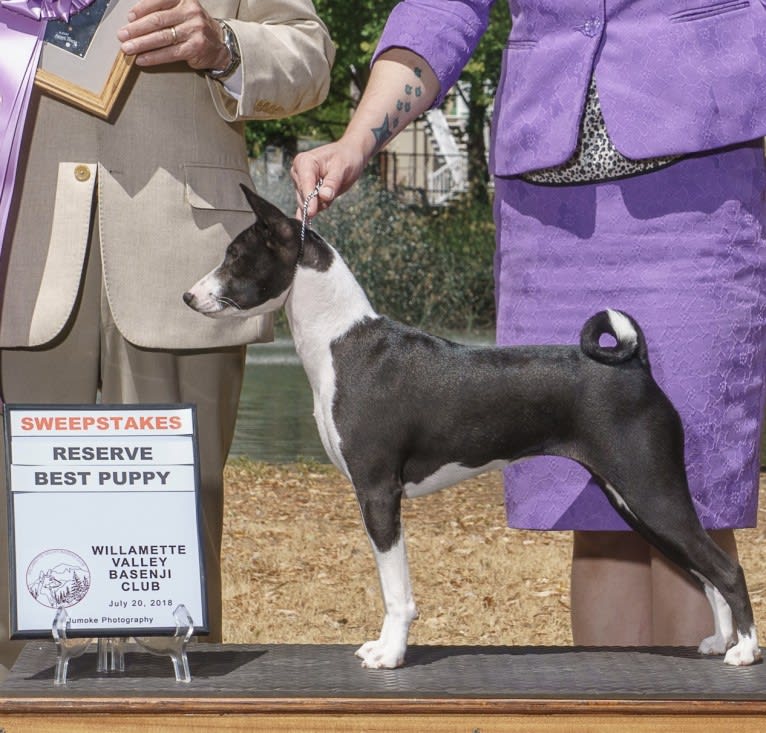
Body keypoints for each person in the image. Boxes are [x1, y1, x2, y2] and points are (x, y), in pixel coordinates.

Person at [291, 1, 766, 648]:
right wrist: (358, 139)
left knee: (689, 502)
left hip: (699, 189)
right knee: (596, 517)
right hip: (550, 209)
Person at [0, 0, 333, 673]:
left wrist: (228, 46)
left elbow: (311, 55)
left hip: (184, 260)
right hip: (18, 252)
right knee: (13, 577)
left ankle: (170, 708)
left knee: (166, 580)